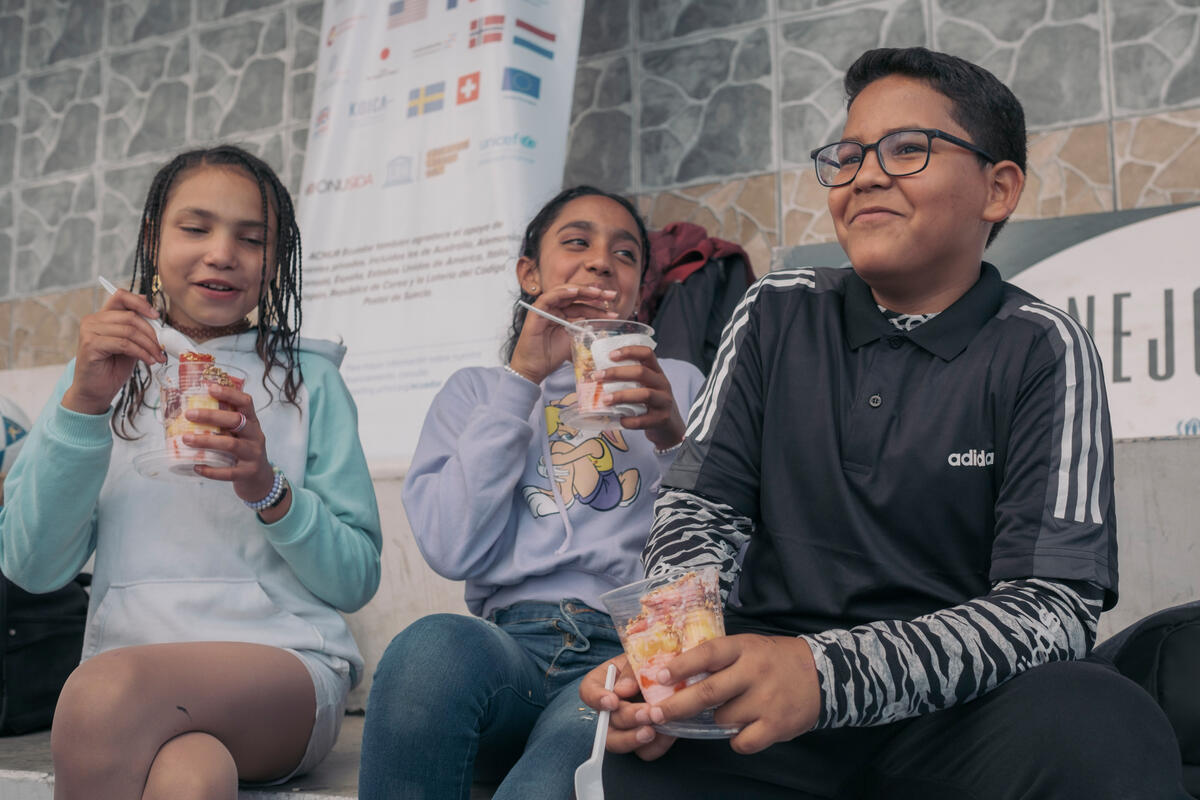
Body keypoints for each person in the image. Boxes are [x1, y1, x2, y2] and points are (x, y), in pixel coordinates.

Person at [580, 47, 1191, 799]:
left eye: (908, 149)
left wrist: (826, 675)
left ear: (997, 189)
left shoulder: (1041, 346)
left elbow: (1051, 614)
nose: (865, 173)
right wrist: (680, 666)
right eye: (847, 155)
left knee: (1100, 723)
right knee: (627, 763)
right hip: (769, 706)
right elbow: (699, 514)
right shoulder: (777, 311)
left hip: (957, 718)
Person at [0, 144, 382, 799]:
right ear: (153, 239)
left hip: (283, 673)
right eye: (196, 227)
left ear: (276, 260)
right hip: (138, 694)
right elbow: (31, 565)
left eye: (252, 238)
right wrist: (85, 405)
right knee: (191, 779)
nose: (222, 253)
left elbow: (356, 579)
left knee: (103, 689)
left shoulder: (309, 380)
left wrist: (267, 487)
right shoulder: (99, 374)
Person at [358, 186, 705, 800]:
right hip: (506, 648)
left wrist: (672, 436)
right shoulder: (475, 393)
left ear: (639, 290)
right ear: (529, 274)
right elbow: (450, 549)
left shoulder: (677, 382)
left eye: (625, 255)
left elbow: (727, 543)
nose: (601, 260)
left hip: (623, 654)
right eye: (577, 242)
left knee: (544, 787)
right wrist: (521, 380)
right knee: (429, 649)